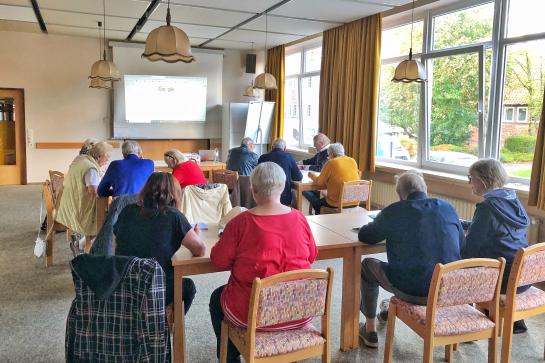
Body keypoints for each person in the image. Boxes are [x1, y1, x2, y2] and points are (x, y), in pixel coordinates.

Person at [209, 162, 317, 362]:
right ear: (283, 187)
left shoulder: (240, 223)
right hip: (299, 311)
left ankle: (229, 358)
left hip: (253, 315)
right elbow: (311, 255)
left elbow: (218, 261)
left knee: (217, 298)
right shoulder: (300, 218)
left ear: (253, 189)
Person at [357, 170, 463, 348]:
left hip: (411, 290)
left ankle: (370, 330)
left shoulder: (393, 211)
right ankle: (386, 310)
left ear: (399, 195)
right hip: (447, 289)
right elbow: (461, 244)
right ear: (425, 188)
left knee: (368, 266)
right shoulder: (447, 207)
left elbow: (366, 236)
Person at [114, 172, 206, 315]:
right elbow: (199, 250)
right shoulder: (174, 216)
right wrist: (197, 235)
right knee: (188, 287)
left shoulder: (127, 211)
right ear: (174, 194)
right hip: (155, 287)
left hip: (123, 285)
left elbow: (117, 245)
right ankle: (166, 325)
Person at [462, 159, 530, 333]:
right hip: (523, 276)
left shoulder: (487, 207)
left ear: (483, 181)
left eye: (471, 178)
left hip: (502, 280)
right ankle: (515, 321)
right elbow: (497, 229)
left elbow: (470, 250)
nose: (469, 182)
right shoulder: (512, 199)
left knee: (457, 267)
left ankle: (468, 327)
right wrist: (465, 224)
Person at [56, 141, 113, 255]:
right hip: (79, 210)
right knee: (111, 218)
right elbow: (95, 192)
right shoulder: (90, 169)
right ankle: (85, 246)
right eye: (106, 158)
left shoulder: (81, 160)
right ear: (98, 157)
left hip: (69, 205)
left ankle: (80, 244)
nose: (107, 161)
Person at [303, 143, 360, 214]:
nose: (328, 157)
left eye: (328, 155)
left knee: (314, 201)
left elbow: (319, 182)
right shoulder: (352, 161)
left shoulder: (331, 162)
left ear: (332, 154)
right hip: (354, 200)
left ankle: (320, 217)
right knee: (321, 198)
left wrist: (311, 175)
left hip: (336, 202)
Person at [257, 138, 302, 206]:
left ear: (272, 147)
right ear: (285, 148)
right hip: (283, 196)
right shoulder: (289, 157)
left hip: (264, 194)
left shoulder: (262, 157)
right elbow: (298, 177)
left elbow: (257, 177)